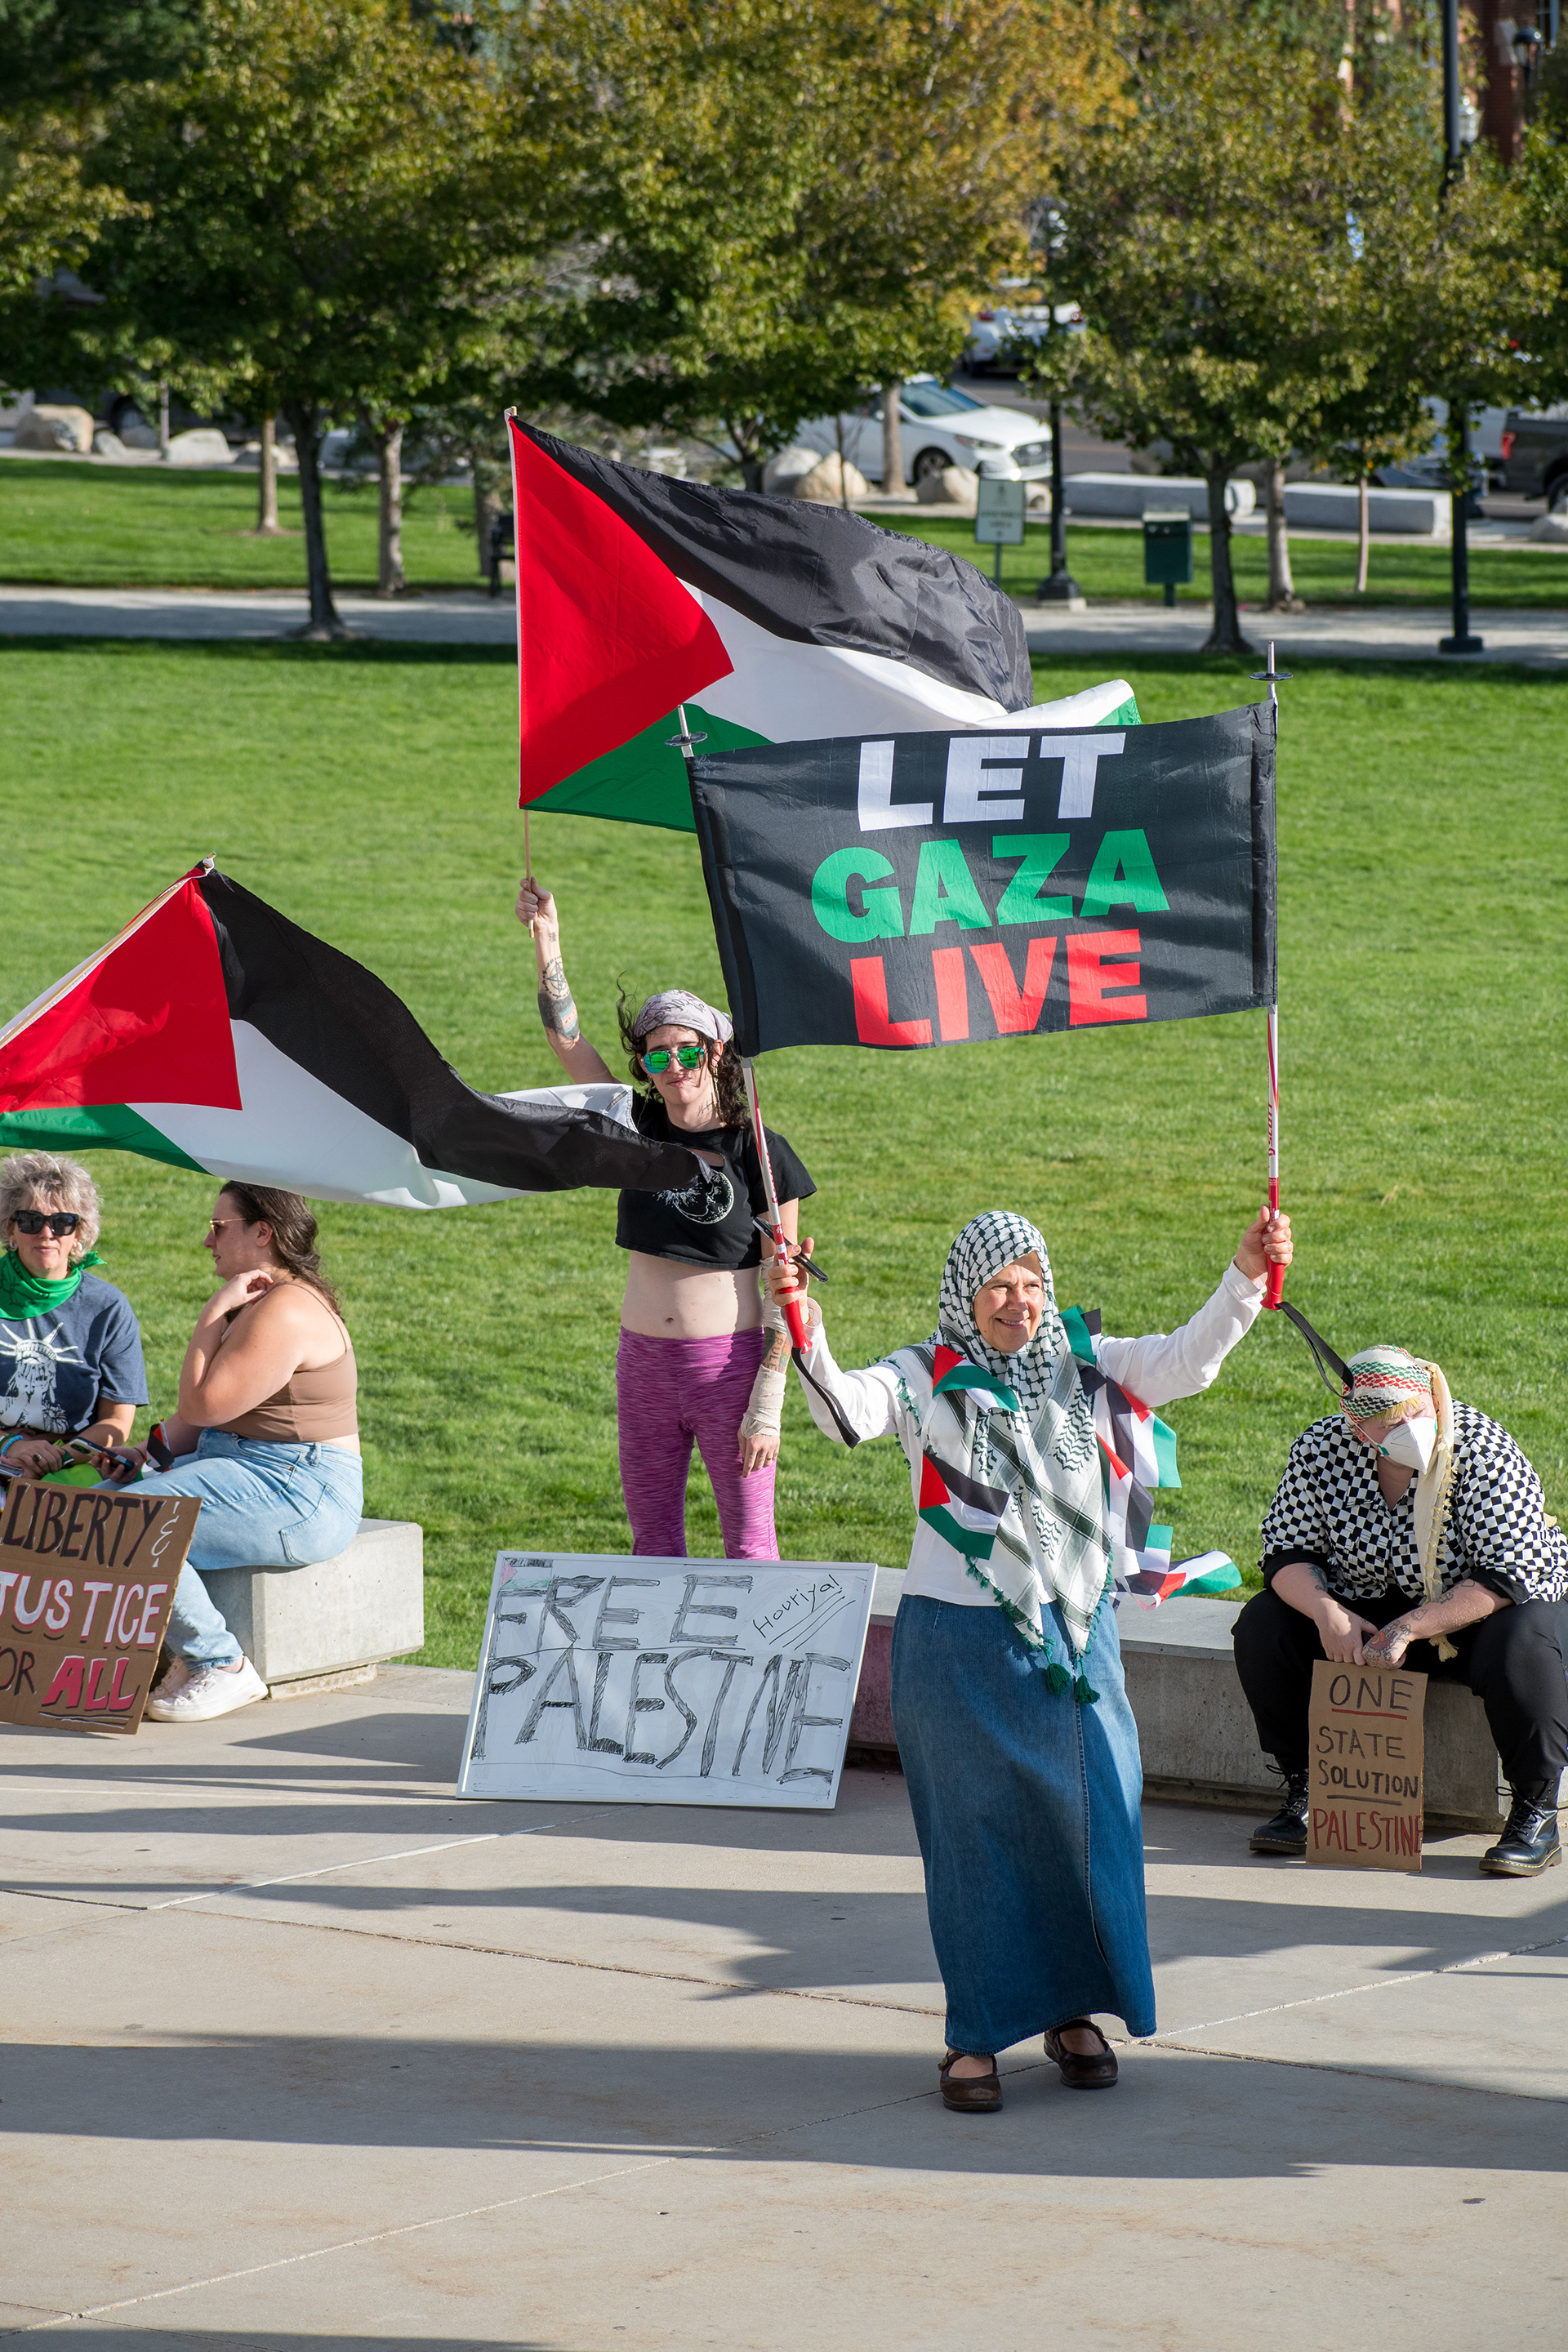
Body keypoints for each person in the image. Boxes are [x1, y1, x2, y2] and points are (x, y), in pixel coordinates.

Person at [770, 1200, 1292, 2113]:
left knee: (1094, 1831)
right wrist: (800, 1321)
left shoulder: (1089, 1363)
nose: (1017, 1300)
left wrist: (1245, 1276)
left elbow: (1187, 1358)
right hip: (958, 1644)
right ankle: (973, 2039)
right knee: (975, 1849)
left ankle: (1075, 2015)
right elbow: (845, 1415)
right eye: (997, 1286)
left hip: (1078, 1636)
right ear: (964, 1297)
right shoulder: (924, 1375)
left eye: (1031, 1281)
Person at [515, 873, 815, 1561]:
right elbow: (567, 1043)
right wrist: (547, 942)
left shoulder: (759, 1151)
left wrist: (767, 1404)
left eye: (688, 1051)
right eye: (658, 1055)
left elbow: (790, 1291)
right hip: (643, 1365)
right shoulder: (635, 1127)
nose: (674, 1066)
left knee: (749, 1543)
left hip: (729, 1369)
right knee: (652, 1542)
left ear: (715, 1053)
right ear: (645, 1066)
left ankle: (757, 1669)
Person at [1234, 1345, 1568, 1876]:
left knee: (1522, 1644)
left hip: (1477, 1608)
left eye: (1415, 1413)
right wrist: (1327, 1613)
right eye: (1389, 1423)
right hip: (1367, 1605)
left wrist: (1412, 1626)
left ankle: (1535, 1811)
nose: (1409, 1428)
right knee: (1263, 1625)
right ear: (1358, 1426)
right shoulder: (1323, 1448)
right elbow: (1285, 1553)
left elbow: (1506, 1573)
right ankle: (1309, 1790)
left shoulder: (1481, 1449)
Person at [114, 1184, 364, 1726]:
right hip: (248, 1466)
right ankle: (177, 1656)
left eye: (217, 1226)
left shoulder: (288, 1310)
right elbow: (212, 1421)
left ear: (262, 1232)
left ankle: (221, 1664)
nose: (208, 1242)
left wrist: (213, 1311)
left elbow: (201, 1405)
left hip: (299, 1489)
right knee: (98, 1500)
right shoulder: (267, 1299)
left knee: (134, 1519)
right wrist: (143, 1455)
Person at [0, 1151, 147, 1480]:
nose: (46, 1232)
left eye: (62, 1222)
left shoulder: (107, 1307)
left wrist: (56, 1458)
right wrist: (8, 1447)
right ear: (11, 1229)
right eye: (30, 1220)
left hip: (71, 1462)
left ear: (78, 1234)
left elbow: (117, 1423)